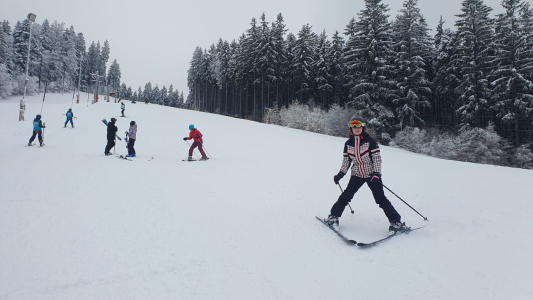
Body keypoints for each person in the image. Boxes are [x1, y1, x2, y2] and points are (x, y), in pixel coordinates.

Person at [324, 116, 408, 236]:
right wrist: (340, 174)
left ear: (363, 127)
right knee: (346, 196)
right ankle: (333, 217)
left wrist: (376, 173)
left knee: (380, 199)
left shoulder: (370, 141)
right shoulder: (348, 144)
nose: (356, 128)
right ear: (350, 128)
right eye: (353, 125)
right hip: (356, 174)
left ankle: (396, 222)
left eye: (358, 125)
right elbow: (346, 161)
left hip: (371, 174)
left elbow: (377, 159)